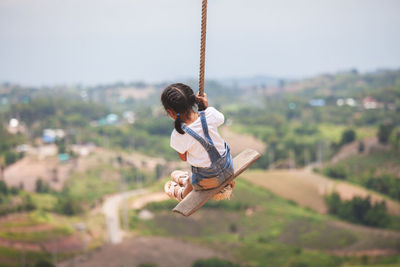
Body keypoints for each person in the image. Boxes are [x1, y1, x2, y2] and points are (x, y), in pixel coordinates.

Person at [161, 83, 235, 201]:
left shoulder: (178, 135)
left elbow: (184, 158)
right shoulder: (210, 113)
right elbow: (220, 119)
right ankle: (187, 179)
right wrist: (205, 107)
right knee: (204, 162)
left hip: (205, 180)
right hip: (229, 168)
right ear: (193, 101)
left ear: (170, 112)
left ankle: (181, 193)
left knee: (199, 170)